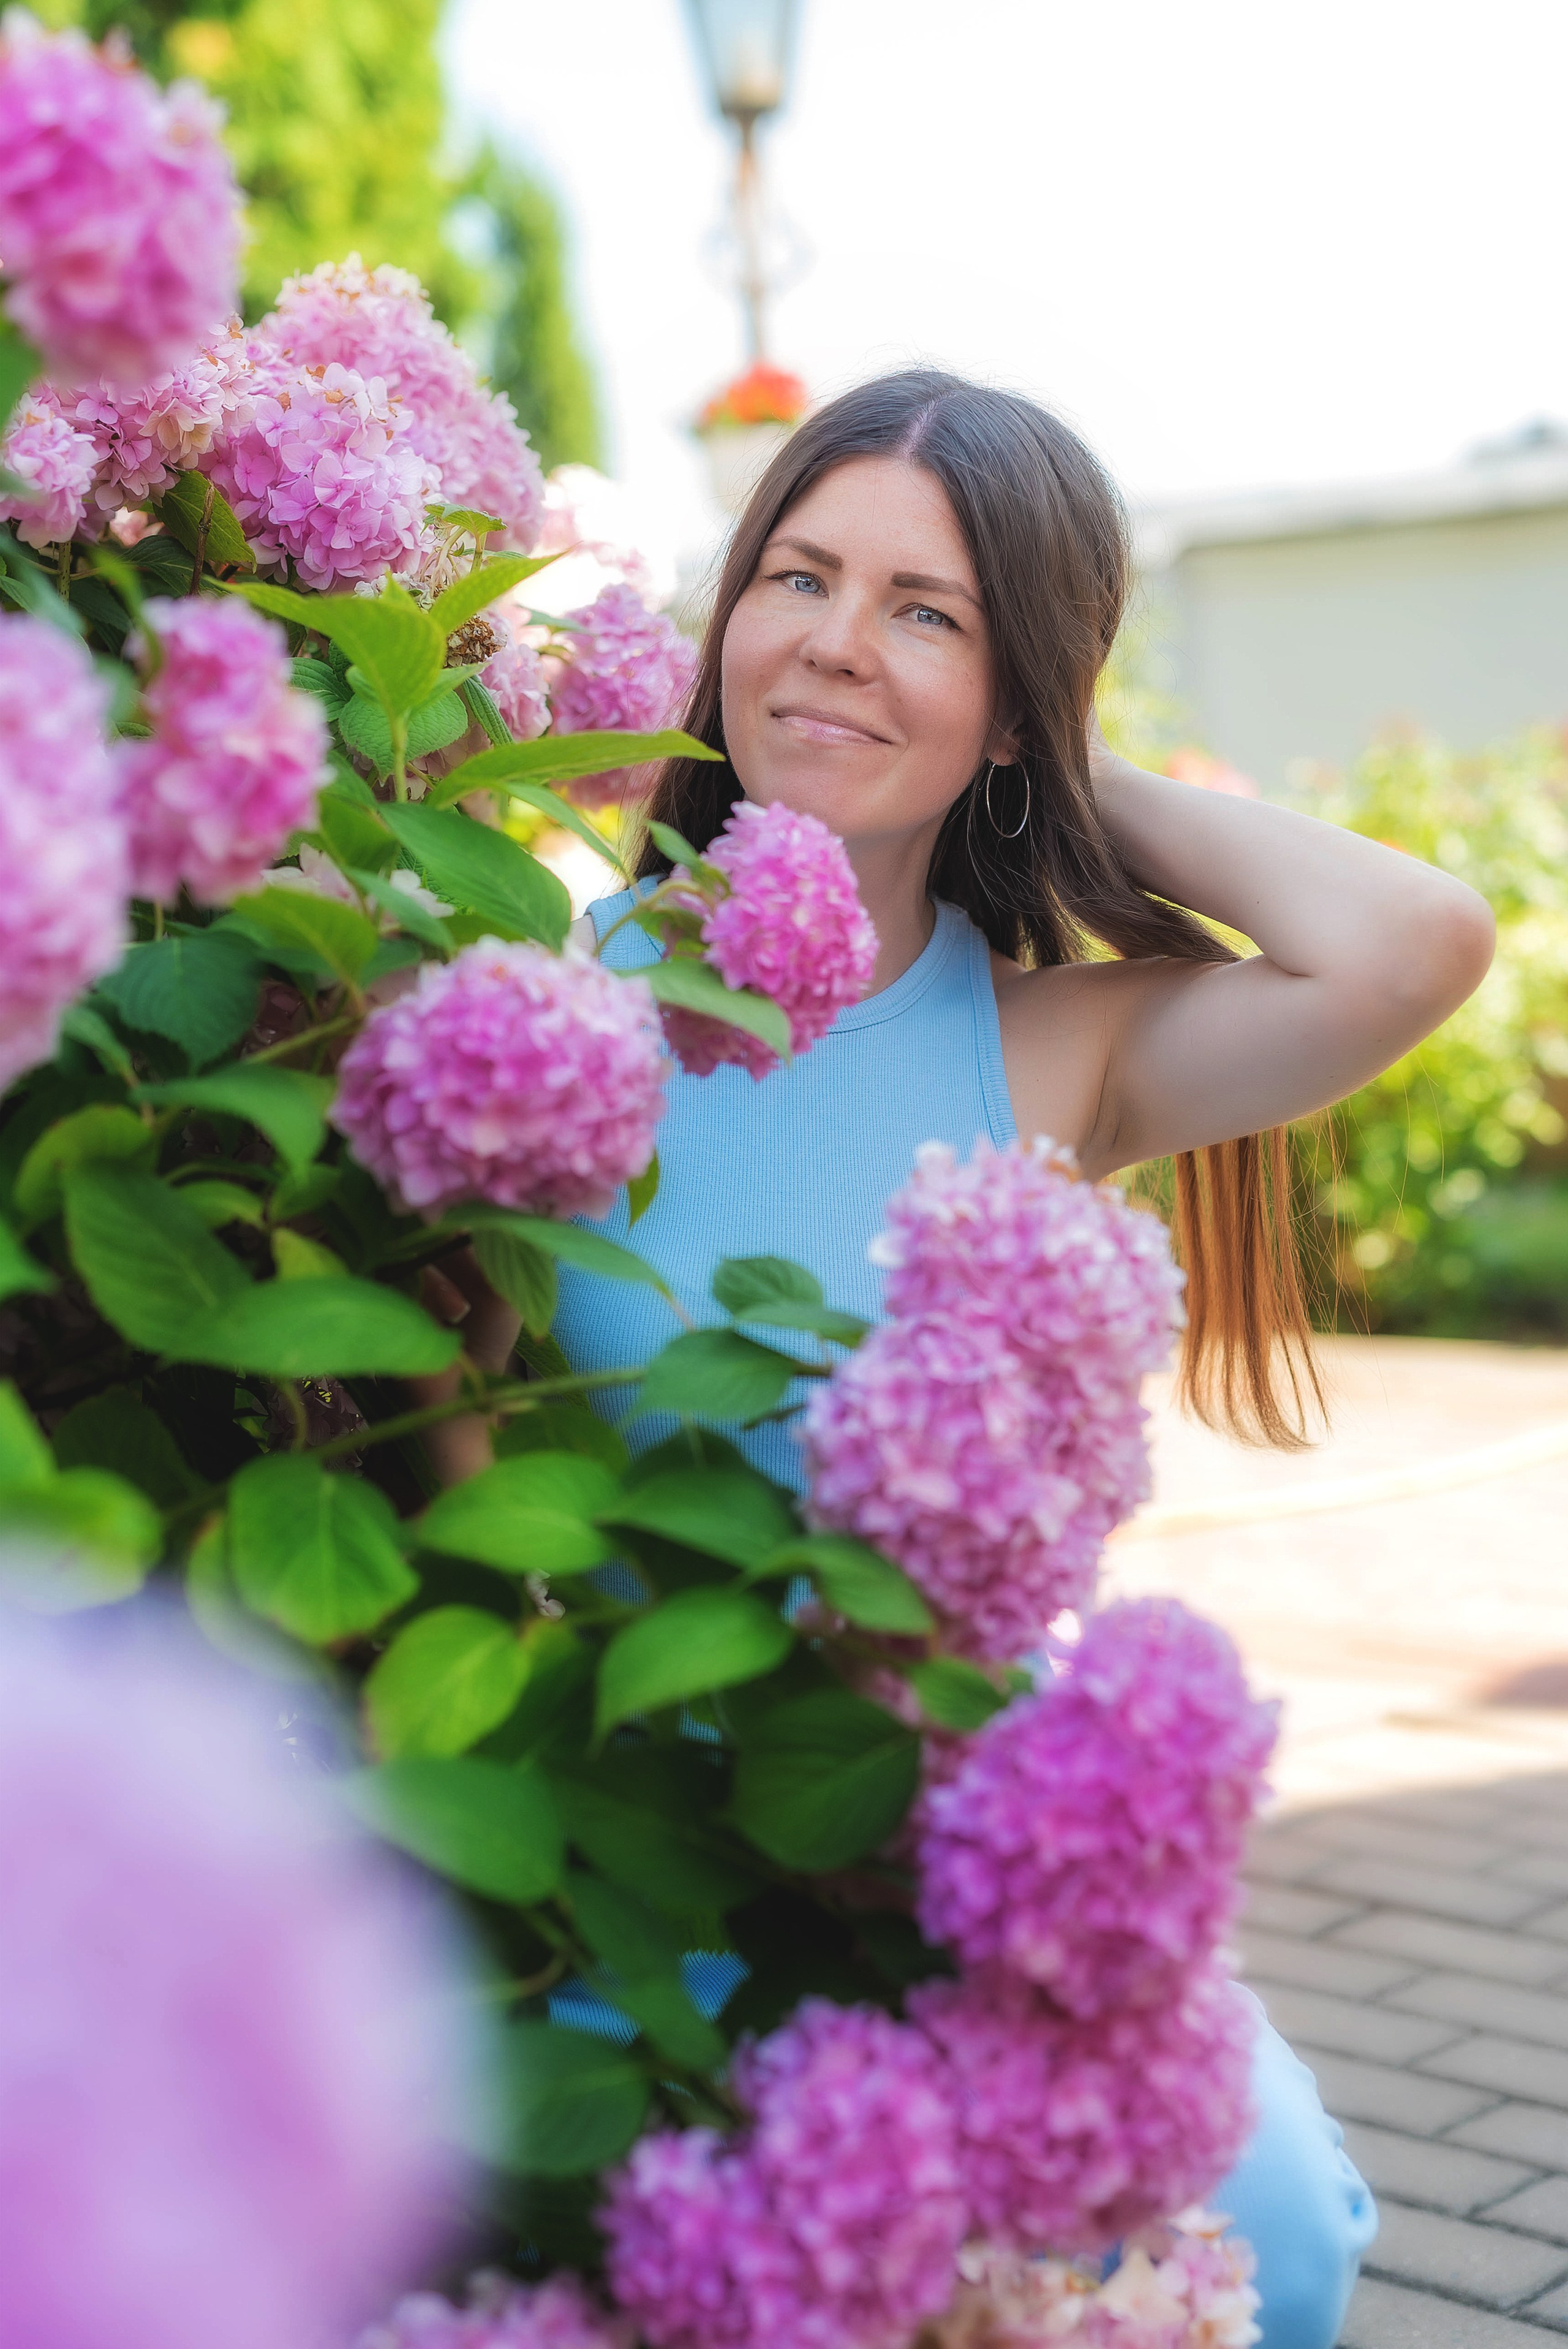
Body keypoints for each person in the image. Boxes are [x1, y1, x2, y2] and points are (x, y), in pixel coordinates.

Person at [529, 371, 1493, 2347]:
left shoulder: (1056, 1048)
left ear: (1018, 691)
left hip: (968, 1859)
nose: (835, 643)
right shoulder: (545, 1021)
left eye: (929, 611)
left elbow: (1416, 944)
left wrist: (1056, 756)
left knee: (1278, 2240)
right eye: (795, 577)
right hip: (625, 1846)